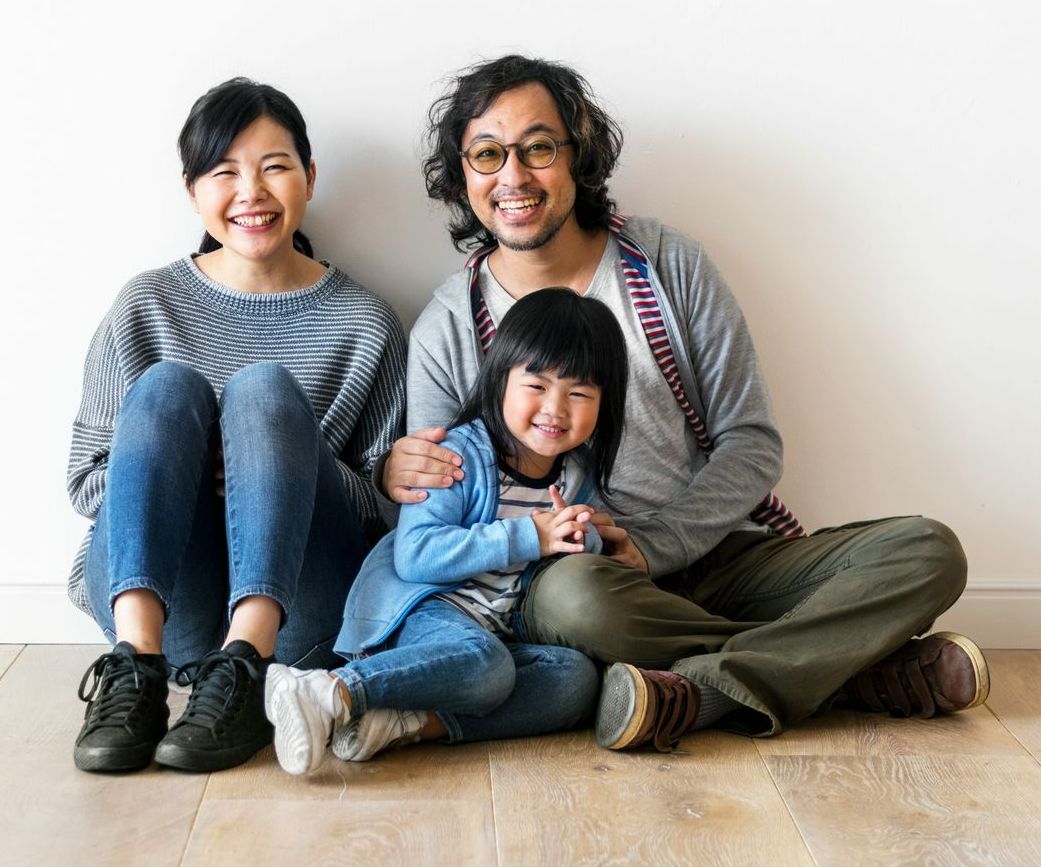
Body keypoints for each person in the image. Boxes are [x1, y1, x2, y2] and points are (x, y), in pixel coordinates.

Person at [381, 53, 989, 752]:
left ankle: (701, 691)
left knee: (927, 549)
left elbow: (751, 441)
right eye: (486, 154)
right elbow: (432, 498)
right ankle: (848, 665)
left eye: (537, 147)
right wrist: (385, 468)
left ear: (577, 153)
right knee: (570, 600)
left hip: (723, 554)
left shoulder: (667, 264)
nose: (512, 176)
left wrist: (654, 543)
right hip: (584, 581)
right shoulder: (450, 324)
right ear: (462, 174)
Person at [67, 78, 406, 773]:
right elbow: (85, 480)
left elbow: (387, 509)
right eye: (224, 171)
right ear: (193, 190)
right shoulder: (147, 304)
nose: (250, 191)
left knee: (263, 392)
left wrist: (275, 465)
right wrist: (191, 473)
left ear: (309, 178)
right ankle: (133, 670)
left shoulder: (365, 323)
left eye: (274, 166)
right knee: (165, 387)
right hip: (167, 608)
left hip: (299, 623)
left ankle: (246, 665)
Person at [263, 286, 625, 773]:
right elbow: (417, 556)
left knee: (576, 680)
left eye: (579, 393)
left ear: (605, 404)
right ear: (500, 380)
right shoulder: (456, 457)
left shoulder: (576, 475)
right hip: (422, 614)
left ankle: (399, 723)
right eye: (537, 386)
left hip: (493, 632)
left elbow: (579, 544)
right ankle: (328, 689)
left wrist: (587, 538)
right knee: (487, 666)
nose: (556, 408)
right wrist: (531, 536)